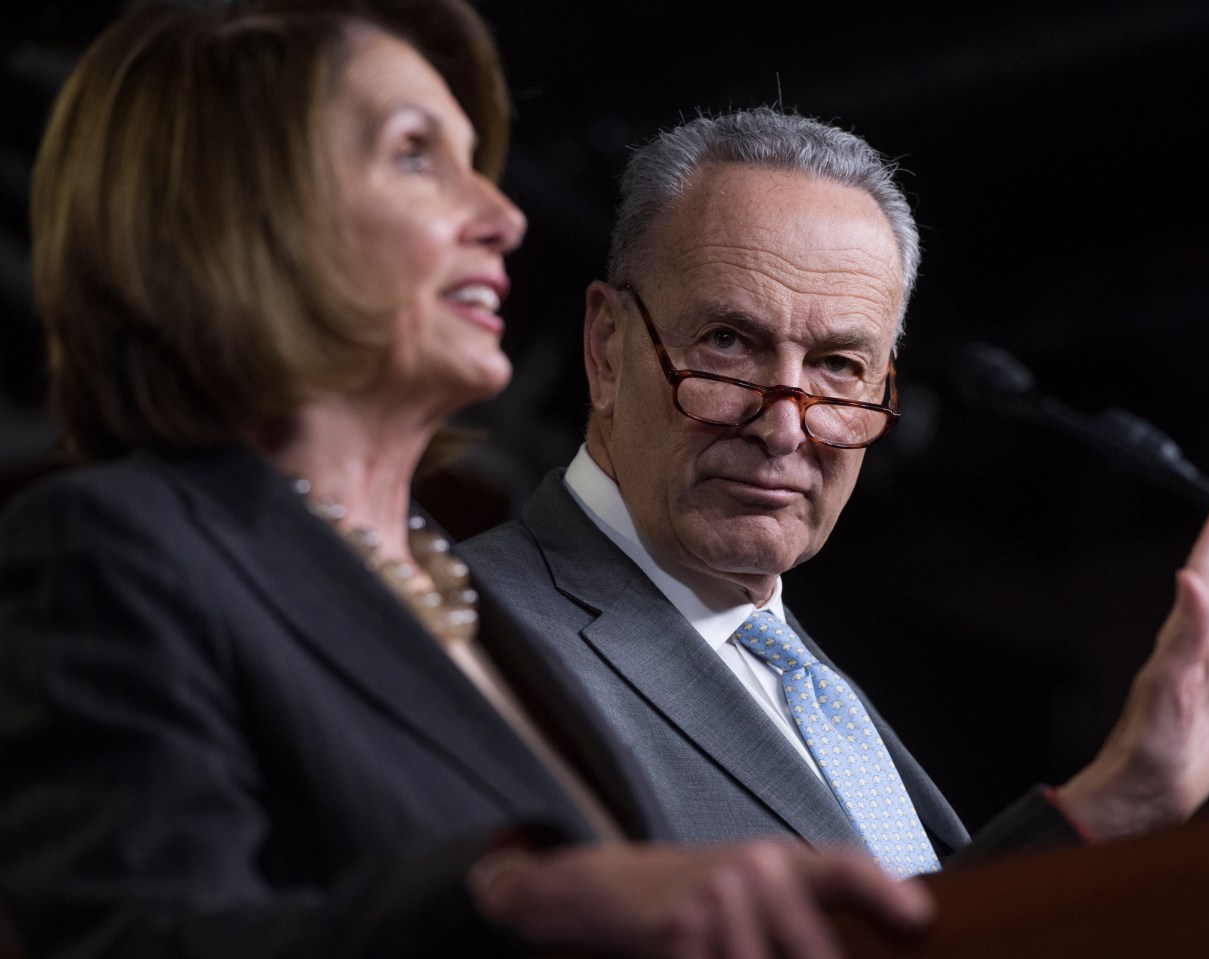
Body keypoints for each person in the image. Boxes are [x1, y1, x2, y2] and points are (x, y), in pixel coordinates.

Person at [0, 7, 933, 958]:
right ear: (234, 216)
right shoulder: (105, 546)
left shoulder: (450, 598)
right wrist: (519, 901)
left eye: (841, 368)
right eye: (416, 156)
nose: (504, 216)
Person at [458, 106, 1209, 869]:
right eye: (728, 342)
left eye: (840, 366)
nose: (786, 424)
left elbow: (923, 933)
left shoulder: (809, 676)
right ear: (606, 349)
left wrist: (1124, 801)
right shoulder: (472, 634)